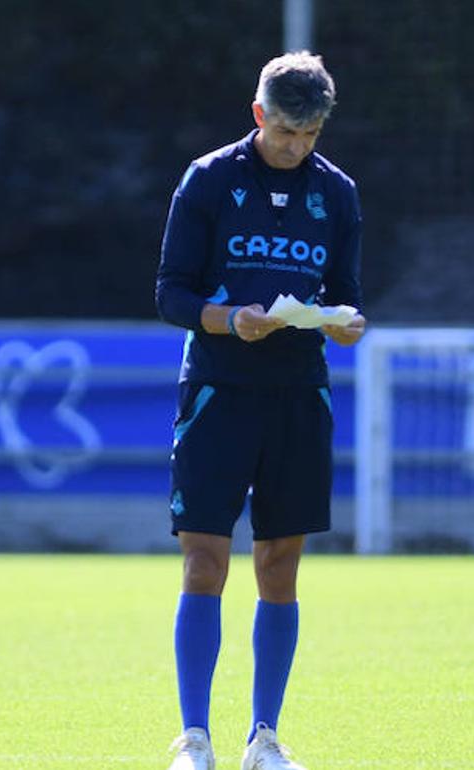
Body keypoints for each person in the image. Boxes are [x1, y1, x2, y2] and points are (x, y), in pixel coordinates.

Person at [155, 51, 365, 770]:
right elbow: (171, 293)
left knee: (279, 564)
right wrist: (229, 320)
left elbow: (346, 294)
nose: (295, 147)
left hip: (298, 393)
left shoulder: (337, 193)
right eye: (284, 132)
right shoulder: (209, 179)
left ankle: (264, 738)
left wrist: (345, 323)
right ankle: (194, 739)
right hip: (219, 387)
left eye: (308, 136)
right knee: (204, 560)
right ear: (258, 115)